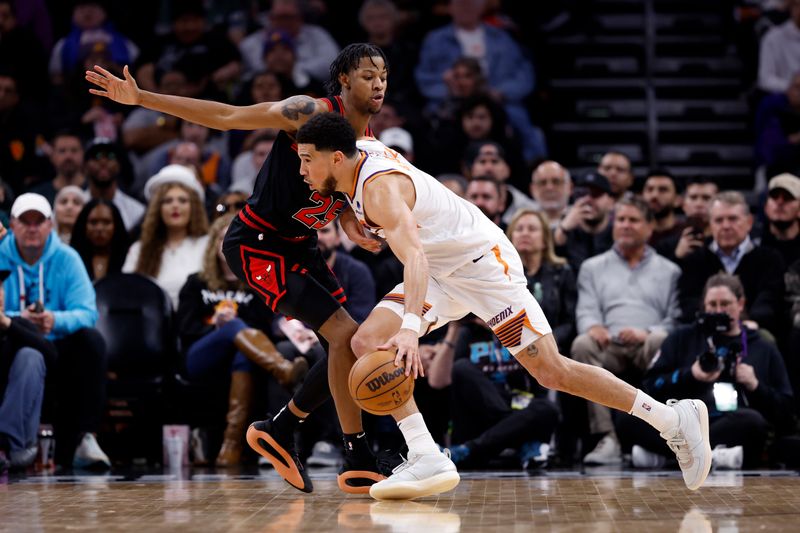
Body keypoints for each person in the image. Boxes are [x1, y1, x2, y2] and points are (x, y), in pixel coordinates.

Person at [294, 112, 713, 498]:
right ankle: (426, 454)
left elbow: (414, 257)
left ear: (335, 159)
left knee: (551, 370)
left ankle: (672, 420)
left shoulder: (379, 190)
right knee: (367, 341)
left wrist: (409, 327)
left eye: (307, 160)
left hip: (483, 267)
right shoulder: (356, 151)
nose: (301, 170)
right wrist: (349, 219)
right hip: (441, 274)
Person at [86, 43, 396, 494]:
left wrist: (354, 227)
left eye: (384, 74)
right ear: (345, 80)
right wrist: (143, 99)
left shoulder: (368, 145)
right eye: (369, 74)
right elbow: (228, 116)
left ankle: (287, 429)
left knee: (350, 343)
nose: (380, 82)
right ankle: (352, 448)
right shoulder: (306, 111)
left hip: (301, 245)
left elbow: (341, 203)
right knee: (346, 336)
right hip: (256, 243)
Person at [617, 274, 794, 469]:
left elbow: (786, 411)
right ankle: (710, 457)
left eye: (725, 304)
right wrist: (689, 375)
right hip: (679, 422)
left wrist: (755, 385)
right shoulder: (681, 337)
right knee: (626, 416)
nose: (718, 311)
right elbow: (650, 386)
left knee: (755, 423)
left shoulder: (761, 346)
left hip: (727, 420)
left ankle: (673, 458)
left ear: (741, 303)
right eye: (712, 305)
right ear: (703, 305)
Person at [177, 214, 308, 467]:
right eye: (222, 238)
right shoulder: (196, 283)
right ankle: (282, 369)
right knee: (233, 326)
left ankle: (230, 448)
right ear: (214, 245)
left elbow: (264, 328)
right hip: (200, 356)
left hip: (243, 359)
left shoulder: (257, 284)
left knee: (243, 353)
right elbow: (185, 328)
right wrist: (217, 326)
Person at [0, 193, 109, 469]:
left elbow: (88, 312)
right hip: (13, 342)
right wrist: (20, 319)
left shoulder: (67, 257)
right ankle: (12, 443)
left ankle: (86, 438)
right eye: (25, 221)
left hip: (58, 344)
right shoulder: (1, 256)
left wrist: (54, 320)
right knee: (24, 350)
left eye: (39, 221)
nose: (32, 227)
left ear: (51, 225)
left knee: (92, 341)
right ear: (12, 224)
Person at [571, 197, 681, 465]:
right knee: (582, 344)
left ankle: (660, 433)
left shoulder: (670, 271)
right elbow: (586, 309)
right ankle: (608, 437)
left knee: (661, 340)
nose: (626, 226)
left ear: (649, 228)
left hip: (648, 344)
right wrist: (594, 326)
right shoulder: (593, 267)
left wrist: (647, 332)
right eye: (620, 220)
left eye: (633, 220)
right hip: (610, 343)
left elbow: (675, 318)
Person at [122, 164, 209, 310]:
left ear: (194, 207)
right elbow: (127, 291)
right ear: (157, 209)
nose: (175, 206)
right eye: (167, 201)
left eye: (182, 200)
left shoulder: (207, 246)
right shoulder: (139, 249)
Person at [0, 267, 57, 472]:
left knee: (31, 356)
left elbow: (52, 356)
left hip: (18, 443)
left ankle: (3, 443)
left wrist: (7, 324)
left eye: (0, 287)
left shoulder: (17, 325)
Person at [69, 198, 130, 281]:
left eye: (106, 222)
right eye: (93, 222)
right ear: (83, 225)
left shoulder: (130, 258)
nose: (99, 228)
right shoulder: (70, 259)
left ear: (116, 225)